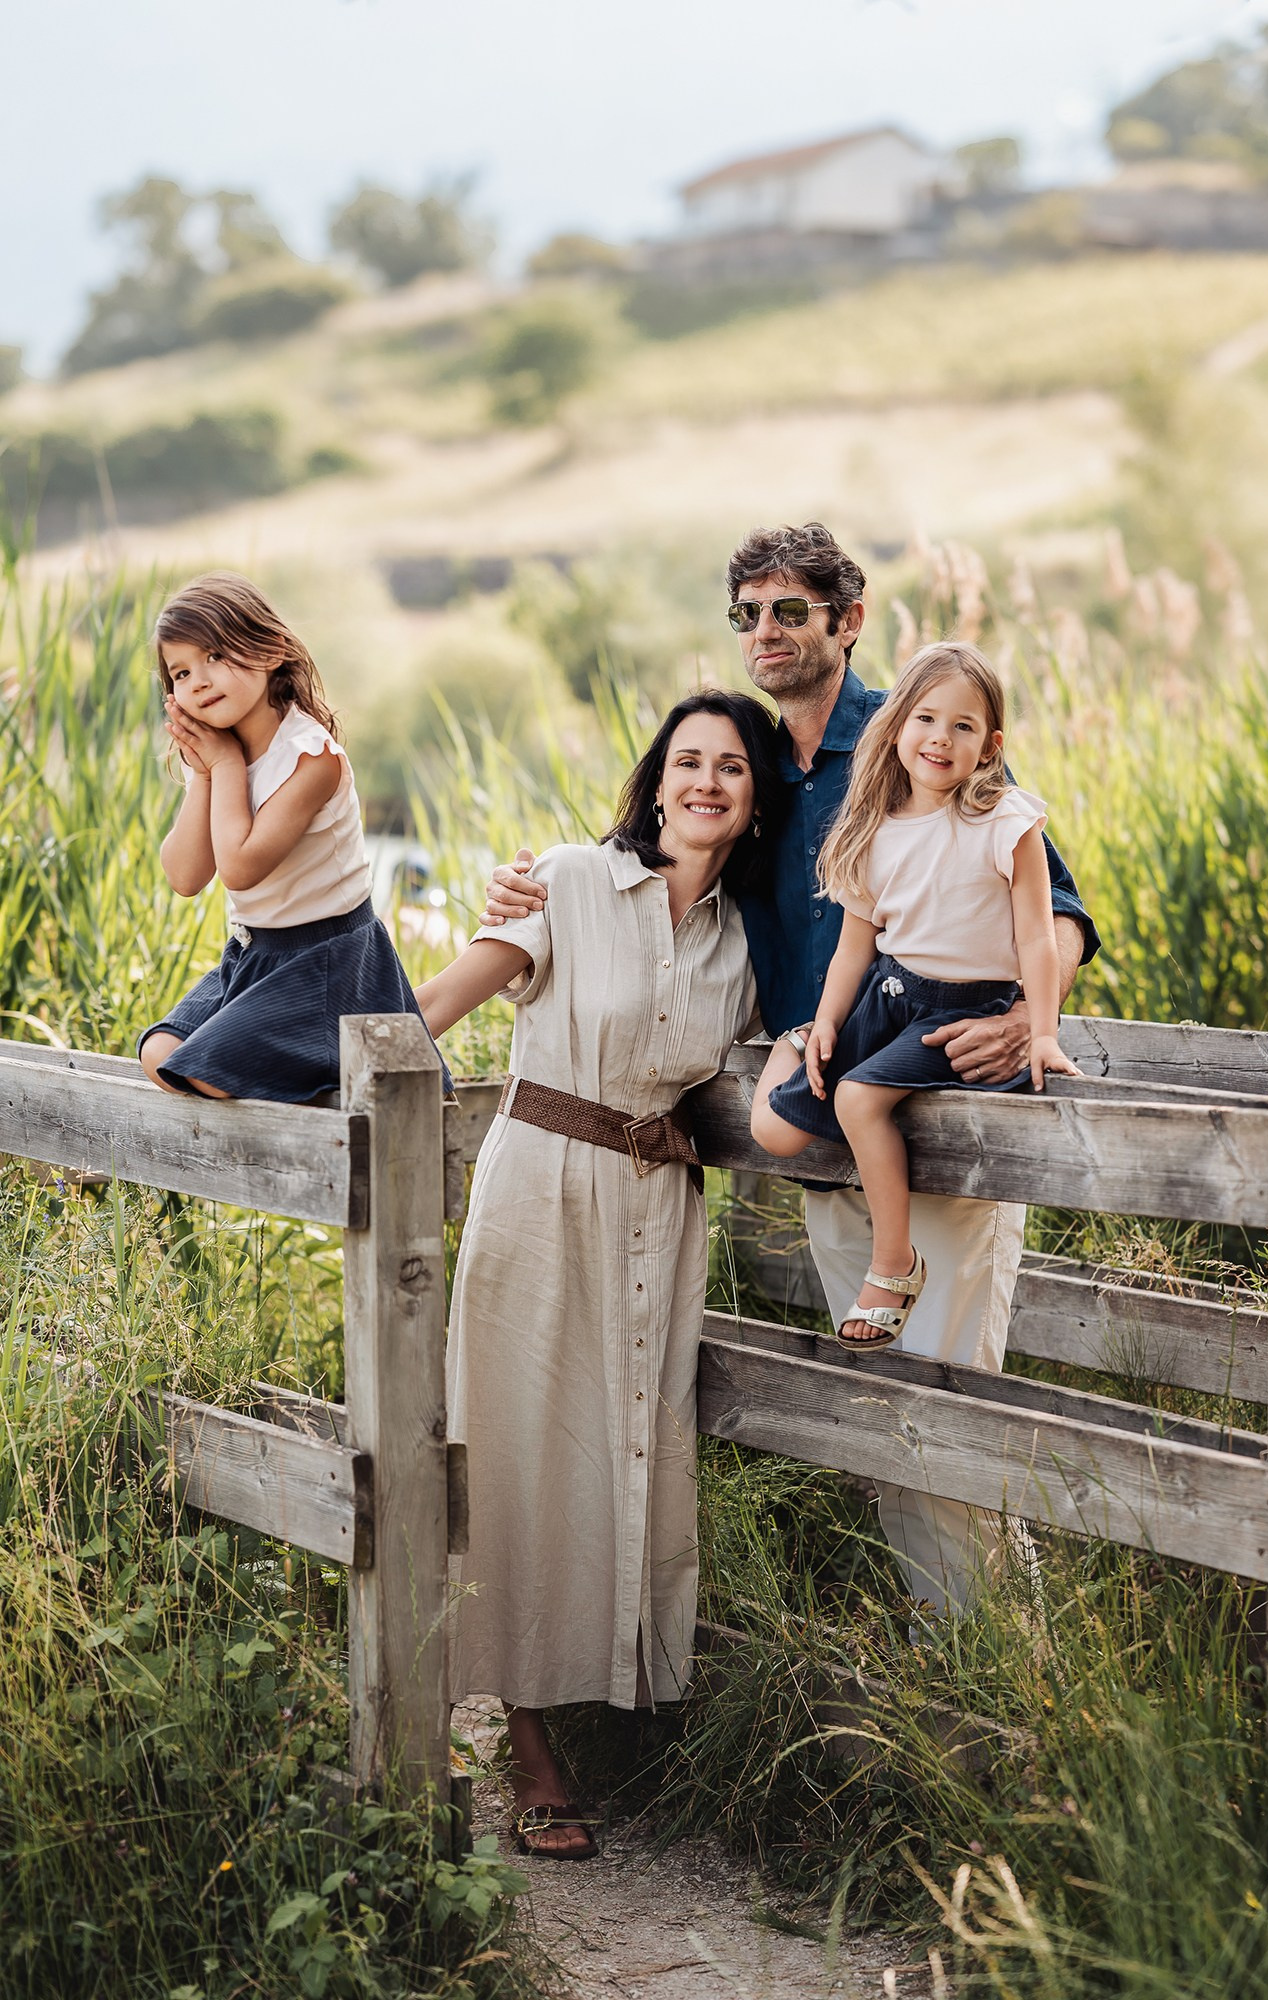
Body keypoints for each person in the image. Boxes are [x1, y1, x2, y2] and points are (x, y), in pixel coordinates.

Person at [484, 521, 1099, 1616]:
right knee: (884, 1418)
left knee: (944, 1405)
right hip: (821, 1129)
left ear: (846, 624)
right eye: (747, 614)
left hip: (940, 1120)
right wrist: (526, 897)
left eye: (789, 610)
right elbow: (656, 860)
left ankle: (1005, 1675)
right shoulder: (757, 765)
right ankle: (958, 1661)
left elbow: (1048, 906)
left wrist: (1023, 1010)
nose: (763, 632)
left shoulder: (917, 734)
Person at [415, 689, 780, 1860]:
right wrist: (323, 1053)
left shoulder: (742, 938)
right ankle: (522, 1738)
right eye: (687, 760)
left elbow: (750, 1071)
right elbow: (445, 997)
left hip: (654, 1209)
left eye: (731, 765)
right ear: (655, 776)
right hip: (538, 1193)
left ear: (754, 794)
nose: (707, 781)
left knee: (629, 1443)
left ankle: (613, 1697)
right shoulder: (570, 877)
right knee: (518, 1444)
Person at [750, 640, 1080, 1348]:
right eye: (926, 719)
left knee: (858, 1099)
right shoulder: (871, 829)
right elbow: (853, 946)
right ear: (896, 726)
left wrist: (1040, 1028)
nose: (940, 738)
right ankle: (796, 1044)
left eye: (962, 726)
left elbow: (1035, 934)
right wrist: (826, 1024)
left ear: (989, 746)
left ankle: (893, 1264)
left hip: (960, 1009)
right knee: (775, 1130)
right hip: (883, 1000)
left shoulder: (1006, 822)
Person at [138, 572, 447, 1102]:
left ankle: (322, 1074)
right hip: (255, 954)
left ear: (271, 649)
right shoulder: (219, 751)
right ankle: (295, 1073)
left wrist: (223, 763)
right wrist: (209, 772)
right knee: (160, 1055)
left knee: (207, 1073)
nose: (200, 680)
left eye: (216, 655)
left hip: (330, 962)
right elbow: (186, 876)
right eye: (182, 672)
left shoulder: (311, 757)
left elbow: (240, 867)